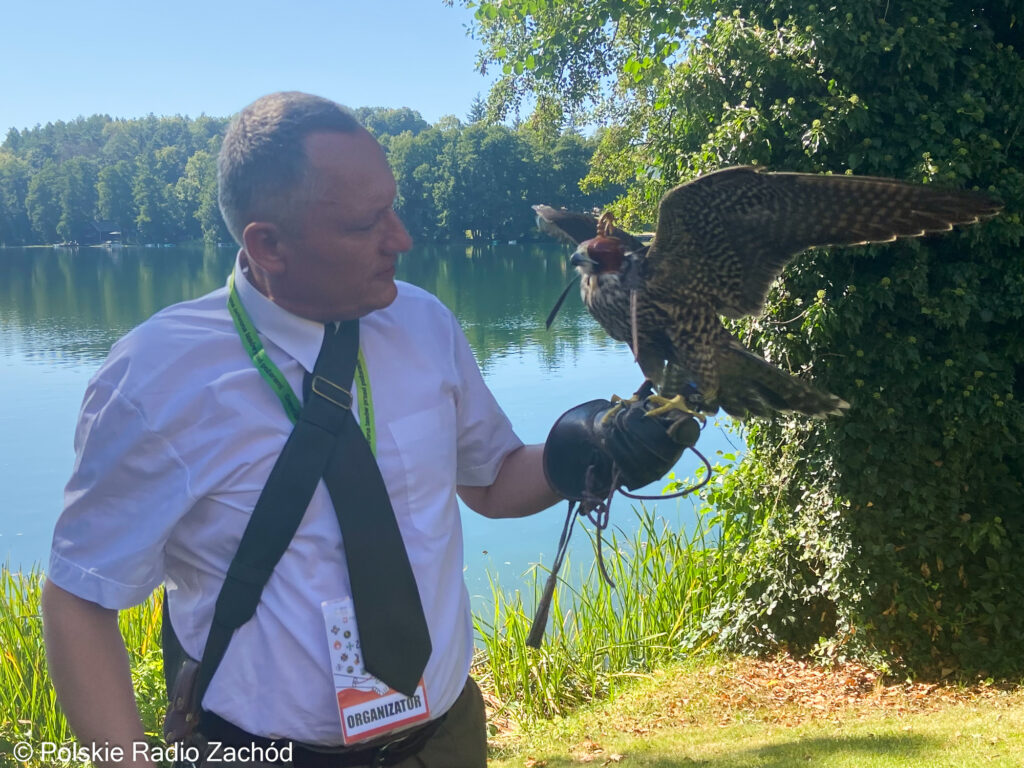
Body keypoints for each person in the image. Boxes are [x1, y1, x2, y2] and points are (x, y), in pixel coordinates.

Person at [42, 91, 687, 768]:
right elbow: (81, 597)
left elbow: (492, 480)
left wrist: (584, 452)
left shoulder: (423, 323)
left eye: (394, 205)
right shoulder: (157, 377)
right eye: (365, 223)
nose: (401, 237)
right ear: (268, 244)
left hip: (446, 740)